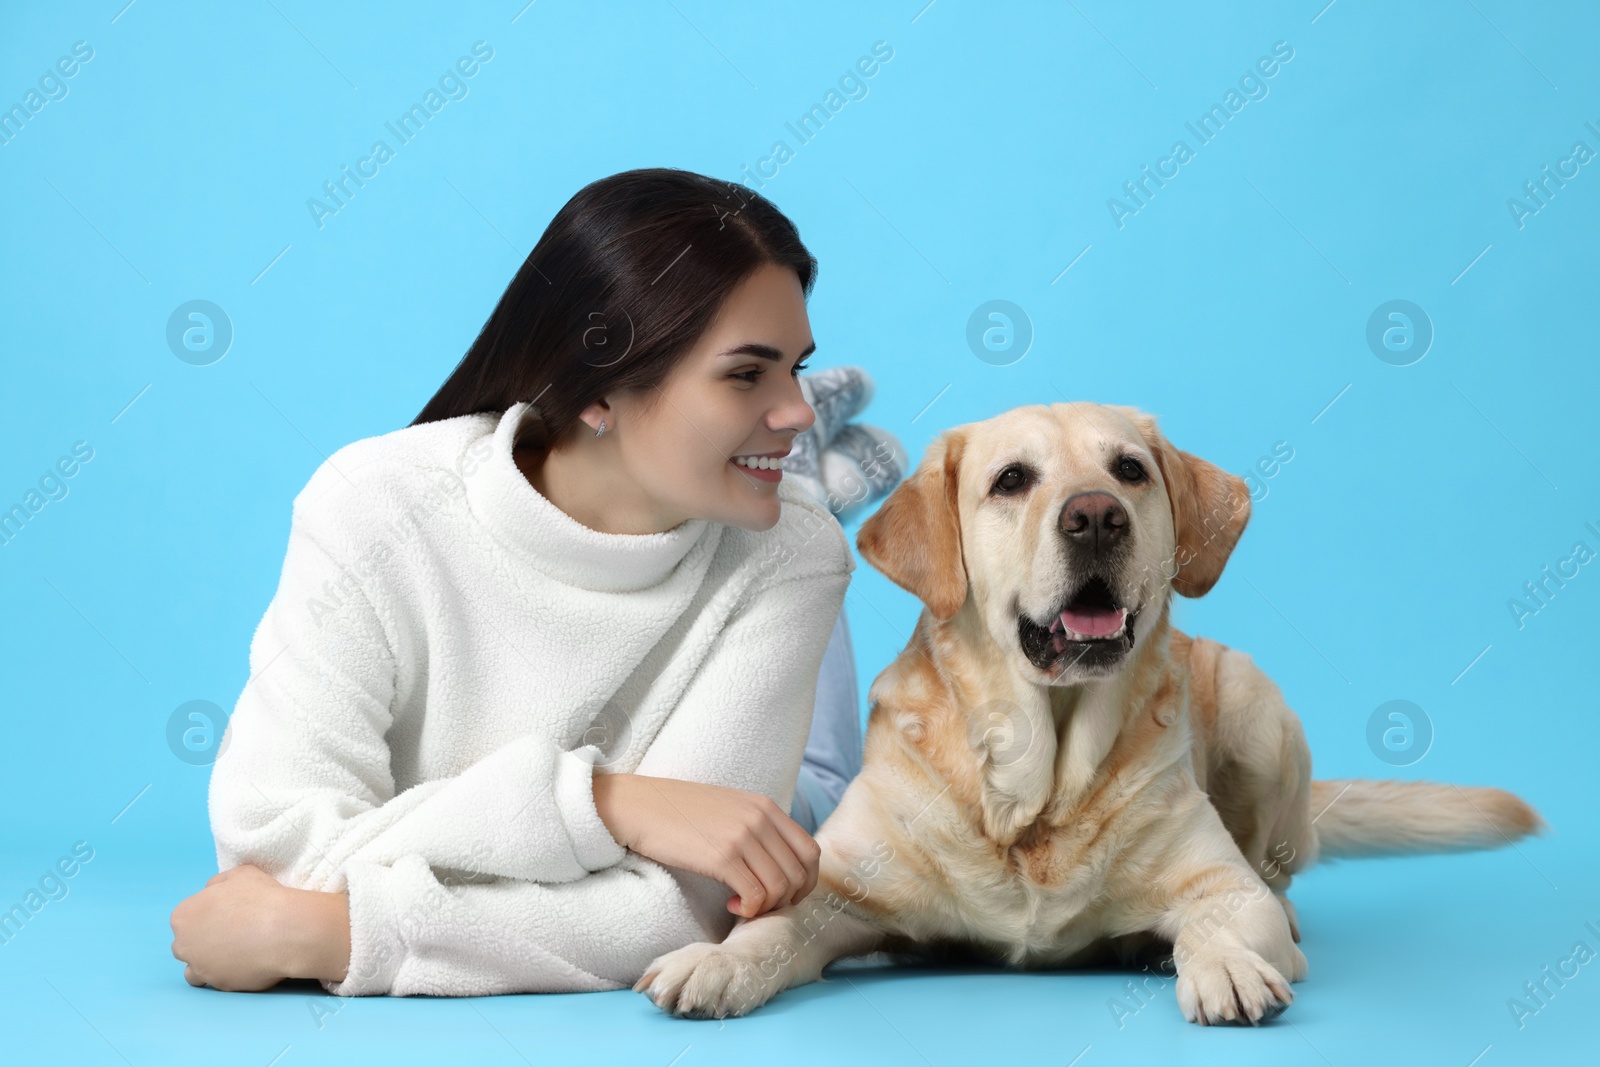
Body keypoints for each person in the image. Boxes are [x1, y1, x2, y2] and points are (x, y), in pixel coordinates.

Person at [168, 168, 906, 997]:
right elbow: (278, 848)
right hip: (731, 592)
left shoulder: (791, 554)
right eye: (747, 374)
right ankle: (773, 472)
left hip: (777, 644)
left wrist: (325, 933)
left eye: (799, 370)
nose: (797, 403)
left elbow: (678, 917)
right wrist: (610, 803)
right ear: (597, 391)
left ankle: (780, 477)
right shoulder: (369, 507)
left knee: (819, 809)